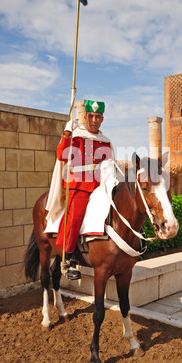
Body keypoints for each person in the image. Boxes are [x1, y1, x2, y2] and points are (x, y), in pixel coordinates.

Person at [55, 100, 113, 280]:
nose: (94, 120)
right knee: (76, 217)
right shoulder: (77, 136)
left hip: (99, 184)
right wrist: (66, 135)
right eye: (91, 116)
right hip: (79, 184)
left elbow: (108, 163)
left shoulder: (105, 141)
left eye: (98, 117)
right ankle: (70, 257)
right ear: (86, 117)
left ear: (102, 119)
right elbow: (61, 155)